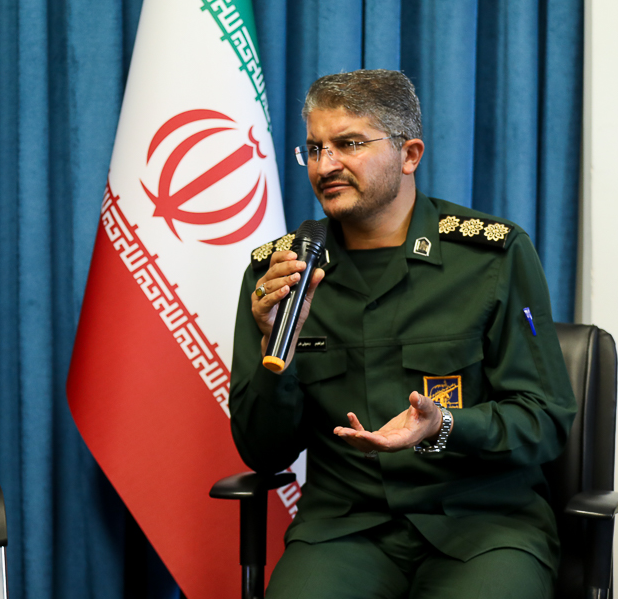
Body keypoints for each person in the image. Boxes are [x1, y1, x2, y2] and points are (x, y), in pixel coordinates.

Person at [230, 69, 577, 598]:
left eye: (349, 144)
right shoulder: (280, 275)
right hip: (344, 531)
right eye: (315, 149)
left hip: (483, 525)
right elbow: (262, 453)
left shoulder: (492, 256)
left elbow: (544, 419)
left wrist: (445, 425)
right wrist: (276, 355)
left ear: (409, 154)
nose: (326, 165)